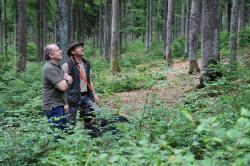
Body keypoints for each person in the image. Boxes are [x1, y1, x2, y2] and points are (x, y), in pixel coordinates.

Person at [62, 41, 100, 134]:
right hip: (73, 97)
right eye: (78, 47)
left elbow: (89, 80)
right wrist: (64, 102)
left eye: (81, 47)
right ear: (73, 52)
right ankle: (69, 141)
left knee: (91, 117)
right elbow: (62, 84)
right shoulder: (67, 65)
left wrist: (94, 94)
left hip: (86, 96)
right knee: (71, 121)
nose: (82, 48)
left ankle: (91, 137)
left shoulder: (86, 63)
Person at [42, 44, 73, 130]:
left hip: (59, 105)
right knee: (58, 136)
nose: (61, 51)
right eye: (57, 50)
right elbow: (63, 87)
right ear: (51, 55)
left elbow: (64, 84)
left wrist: (65, 103)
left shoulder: (58, 67)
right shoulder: (50, 68)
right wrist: (67, 80)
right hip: (53, 106)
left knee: (63, 133)